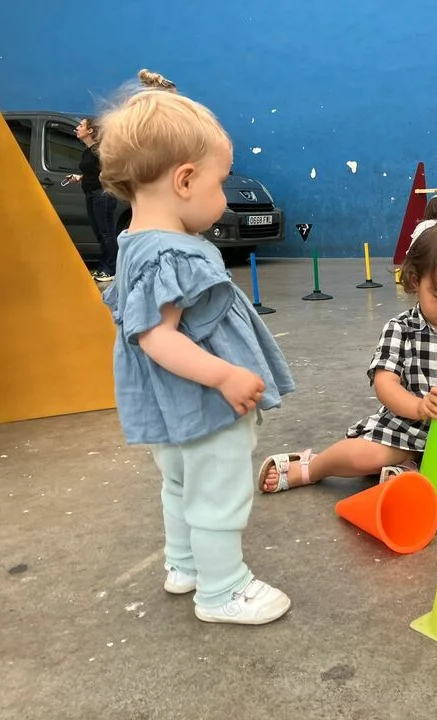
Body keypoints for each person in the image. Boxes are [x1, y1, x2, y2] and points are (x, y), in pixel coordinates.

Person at [98, 89, 295, 624]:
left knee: (181, 484)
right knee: (218, 490)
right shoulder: (171, 252)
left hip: (170, 408)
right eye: (220, 183)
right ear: (184, 181)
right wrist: (225, 375)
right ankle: (222, 590)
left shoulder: (135, 243)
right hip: (203, 403)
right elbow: (156, 337)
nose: (225, 201)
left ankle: (185, 565)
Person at [258, 223, 437, 492]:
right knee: (363, 456)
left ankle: (415, 475)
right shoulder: (400, 329)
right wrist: (418, 407)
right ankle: (311, 467)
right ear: (415, 281)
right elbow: (385, 384)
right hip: (405, 429)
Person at [66, 118, 118, 282]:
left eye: (81, 125)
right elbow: (93, 172)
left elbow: (113, 169)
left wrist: (105, 179)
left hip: (102, 194)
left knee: (106, 233)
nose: (77, 128)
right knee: (100, 233)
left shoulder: (101, 150)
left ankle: (112, 269)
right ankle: (103, 267)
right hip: (91, 193)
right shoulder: (88, 151)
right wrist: (80, 177)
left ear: (90, 131)